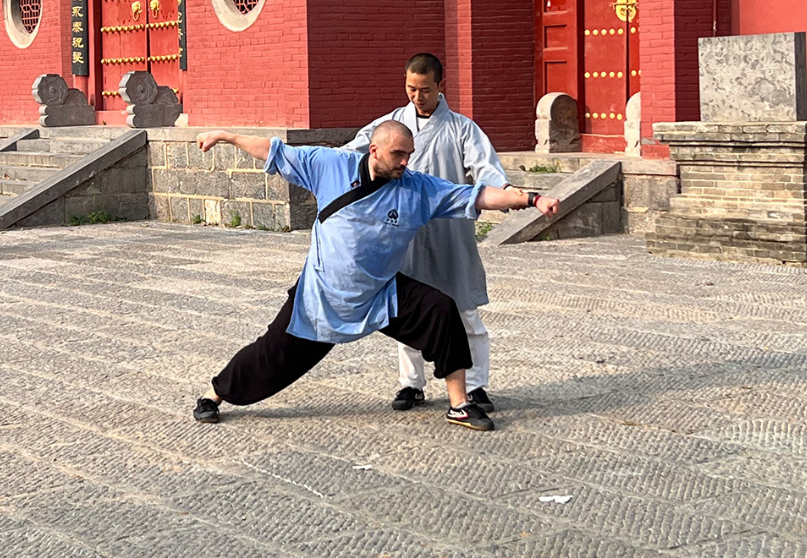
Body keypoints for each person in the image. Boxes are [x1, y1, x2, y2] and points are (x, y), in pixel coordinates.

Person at [191, 121, 558, 431]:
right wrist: (227, 136)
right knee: (272, 356)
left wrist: (530, 199)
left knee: (440, 309)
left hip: (381, 292)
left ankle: (459, 404)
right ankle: (215, 393)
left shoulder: (417, 188)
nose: (405, 162)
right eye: (398, 154)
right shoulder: (330, 166)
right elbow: (274, 150)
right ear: (374, 150)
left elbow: (475, 196)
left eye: (409, 154)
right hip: (323, 295)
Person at [343, 53, 510, 414]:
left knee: (464, 310)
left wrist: (505, 192)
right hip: (402, 228)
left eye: (425, 90)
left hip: (449, 230)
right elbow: (352, 154)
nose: (417, 97)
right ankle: (411, 383)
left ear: (440, 86)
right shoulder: (391, 125)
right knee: (409, 309)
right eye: (411, 89)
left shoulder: (461, 128)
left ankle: (476, 385)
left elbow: (485, 166)